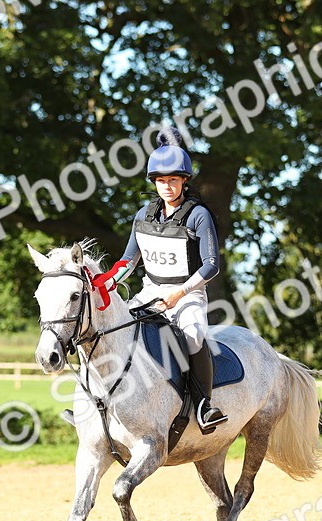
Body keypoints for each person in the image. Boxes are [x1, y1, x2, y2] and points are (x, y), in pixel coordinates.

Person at [93, 126, 228, 433]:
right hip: (150, 291)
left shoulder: (198, 216)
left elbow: (211, 266)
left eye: (173, 180)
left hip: (188, 293)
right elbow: (128, 260)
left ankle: (204, 404)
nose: (167, 187)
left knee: (193, 334)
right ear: (154, 182)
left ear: (184, 181)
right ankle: (96, 403)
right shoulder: (143, 215)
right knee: (112, 327)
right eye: (161, 181)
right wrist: (105, 284)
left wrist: (180, 294)